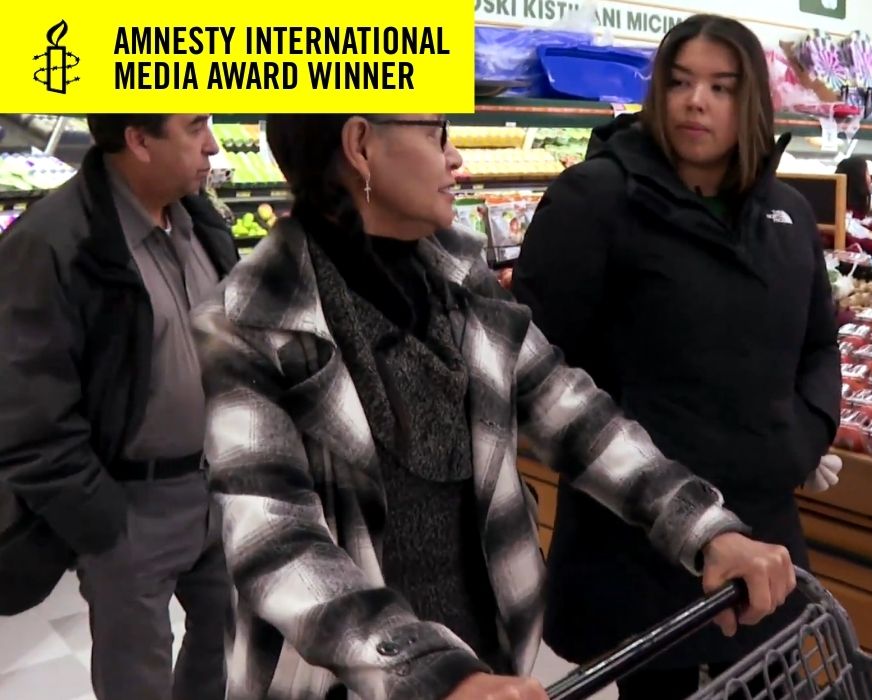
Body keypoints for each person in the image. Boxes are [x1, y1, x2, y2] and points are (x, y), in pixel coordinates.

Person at [190, 113, 799, 700]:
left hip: (489, 663)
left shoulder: (461, 282)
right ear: (361, 145)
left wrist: (705, 528)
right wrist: (430, 673)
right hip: (344, 679)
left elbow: (578, 417)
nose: (455, 156)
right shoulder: (251, 322)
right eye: (436, 133)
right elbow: (278, 542)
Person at [512, 15, 842, 700]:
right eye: (682, 83)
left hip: (765, 540)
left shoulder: (784, 216)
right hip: (636, 548)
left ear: (749, 103)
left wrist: (802, 435)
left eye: (721, 87)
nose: (697, 101)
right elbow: (541, 366)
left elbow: (818, 343)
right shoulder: (594, 200)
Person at [0, 114, 238, 700]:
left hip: (220, 488)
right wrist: (102, 520)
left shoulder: (201, 222)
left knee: (230, 643)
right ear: (138, 140)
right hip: (130, 506)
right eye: (195, 127)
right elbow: (26, 411)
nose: (212, 144)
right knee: (137, 676)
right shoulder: (52, 243)